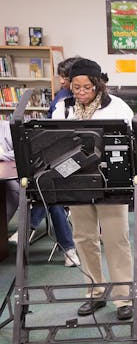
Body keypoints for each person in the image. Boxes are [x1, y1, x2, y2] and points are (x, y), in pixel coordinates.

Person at [52, 57, 136, 320]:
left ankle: (123, 297)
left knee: (116, 238)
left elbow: (131, 143)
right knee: (84, 238)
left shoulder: (118, 108)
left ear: (98, 85)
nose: (80, 93)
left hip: (111, 182)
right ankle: (95, 291)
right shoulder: (63, 109)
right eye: (75, 87)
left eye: (86, 87)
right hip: (77, 182)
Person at [10, 56, 80, 266]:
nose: (60, 81)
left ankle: (29, 227)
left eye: (63, 77)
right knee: (51, 195)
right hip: (56, 163)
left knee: (47, 190)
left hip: (72, 166)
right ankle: (68, 249)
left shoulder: (68, 100)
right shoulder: (62, 98)